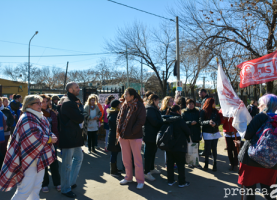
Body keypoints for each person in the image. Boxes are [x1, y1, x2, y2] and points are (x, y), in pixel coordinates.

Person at [0, 95, 57, 200]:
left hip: (40, 158)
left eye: (41, 102)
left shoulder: (40, 116)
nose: (41, 105)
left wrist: (51, 136)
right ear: (29, 105)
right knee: (24, 191)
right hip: (29, 159)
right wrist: (49, 139)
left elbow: (47, 131)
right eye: (38, 103)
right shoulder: (26, 117)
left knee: (36, 188)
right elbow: (33, 137)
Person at [236, 94, 277, 200]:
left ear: (266, 105)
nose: (258, 107)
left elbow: (247, 135)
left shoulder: (261, 116)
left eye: (260, 104)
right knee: (270, 193)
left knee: (249, 193)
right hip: (272, 162)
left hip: (252, 160)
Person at [117, 88, 146, 189]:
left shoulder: (140, 106)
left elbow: (141, 121)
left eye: (127, 94)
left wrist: (132, 131)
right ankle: (128, 177)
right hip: (123, 136)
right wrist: (120, 130)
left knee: (137, 160)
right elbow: (119, 118)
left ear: (132, 96)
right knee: (126, 159)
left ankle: (140, 180)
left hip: (135, 137)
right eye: (124, 94)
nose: (125, 96)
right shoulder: (124, 105)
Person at [59, 82, 84, 198]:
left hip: (74, 136)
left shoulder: (71, 101)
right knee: (67, 165)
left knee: (78, 158)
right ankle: (65, 188)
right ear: (70, 90)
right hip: (69, 137)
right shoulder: (68, 102)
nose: (79, 89)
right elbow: (79, 118)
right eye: (76, 87)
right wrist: (82, 111)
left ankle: (71, 183)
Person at [164, 105, 191, 187]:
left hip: (168, 145)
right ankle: (181, 182)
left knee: (170, 164)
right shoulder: (180, 119)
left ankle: (170, 181)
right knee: (180, 165)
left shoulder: (166, 118)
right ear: (178, 111)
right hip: (179, 145)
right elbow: (187, 131)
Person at [40, 94, 61, 193]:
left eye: (46, 101)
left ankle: (57, 183)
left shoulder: (52, 113)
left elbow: (56, 128)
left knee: (54, 163)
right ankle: (45, 184)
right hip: (41, 143)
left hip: (52, 142)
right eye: (42, 101)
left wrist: (57, 140)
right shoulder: (37, 113)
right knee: (43, 165)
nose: (45, 103)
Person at [143, 94, 163, 181]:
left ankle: (151, 168)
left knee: (153, 152)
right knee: (148, 154)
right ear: (153, 100)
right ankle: (146, 172)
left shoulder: (153, 108)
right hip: (149, 135)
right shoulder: (150, 109)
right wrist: (162, 121)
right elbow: (154, 122)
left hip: (153, 134)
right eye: (158, 100)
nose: (158, 102)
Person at [200, 98, 221, 171]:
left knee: (214, 148)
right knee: (207, 149)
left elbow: (219, 120)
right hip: (207, 132)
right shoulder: (203, 111)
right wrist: (208, 122)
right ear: (209, 103)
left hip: (215, 132)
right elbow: (201, 122)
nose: (215, 104)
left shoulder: (216, 111)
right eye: (214, 103)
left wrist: (215, 124)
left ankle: (215, 164)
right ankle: (206, 164)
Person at [182, 99, 202, 169]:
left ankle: (196, 163)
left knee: (196, 149)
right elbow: (182, 123)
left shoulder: (197, 112)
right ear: (187, 105)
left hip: (196, 132)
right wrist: (190, 123)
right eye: (189, 104)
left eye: (192, 104)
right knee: (189, 149)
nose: (191, 105)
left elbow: (200, 121)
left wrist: (196, 122)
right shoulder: (184, 113)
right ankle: (190, 163)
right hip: (188, 133)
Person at [107, 99, 122, 177]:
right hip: (114, 137)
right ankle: (113, 171)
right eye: (119, 104)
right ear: (117, 106)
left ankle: (115, 169)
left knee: (115, 153)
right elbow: (117, 126)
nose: (121, 105)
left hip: (113, 136)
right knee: (114, 153)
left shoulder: (113, 113)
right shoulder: (114, 115)